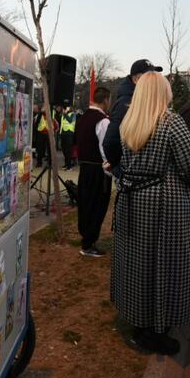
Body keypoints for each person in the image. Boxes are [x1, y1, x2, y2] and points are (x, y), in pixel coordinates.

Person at [111, 72, 190, 355]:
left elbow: (123, 163)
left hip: (133, 202)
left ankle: (140, 322)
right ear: (162, 94)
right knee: (166, 264)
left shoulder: (129, 122)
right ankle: (158, 329)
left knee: (137, 264)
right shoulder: (171, 122)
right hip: (166, 205)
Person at [103, 58, 162, 176]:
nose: (153, 79)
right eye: (148, 76)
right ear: (135, 79)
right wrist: (119, 168)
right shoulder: (126, 102)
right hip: (132, 175)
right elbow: (110, 141)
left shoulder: (143, 99)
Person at [75, 87, 112, 257]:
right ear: (105, 100)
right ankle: (89, 243)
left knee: (86, 204)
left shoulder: (82, 118)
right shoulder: (103, 121)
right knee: (97, 205)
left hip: (84, 168)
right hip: (97, 169)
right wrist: (109, 168)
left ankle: (87, 239)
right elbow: (105, 147)